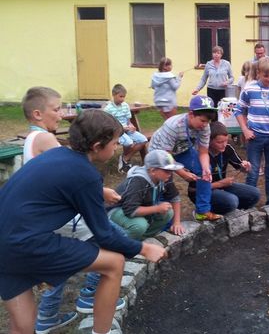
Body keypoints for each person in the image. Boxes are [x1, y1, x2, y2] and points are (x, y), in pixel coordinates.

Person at [0, 109, 166, 334]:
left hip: (4, 244)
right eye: (115, 143)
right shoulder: (85, 174)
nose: (117, 147)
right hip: (27, 243)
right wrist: (143, 248)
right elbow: (104, 233)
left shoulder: (54, 155)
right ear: (98, 146)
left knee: (23, 325)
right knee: (114, 263)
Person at [21, 87, 126, 333]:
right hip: (66, 214)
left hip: (51, 215)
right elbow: (70, 171)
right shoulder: (46, 139)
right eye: (56, 110)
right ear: (38, 114)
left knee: (59, 265)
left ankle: (47, 316)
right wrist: (103, 192)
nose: (61, 115)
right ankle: (90, 295)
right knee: (113, 241)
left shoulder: (31, 138)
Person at [148, 95, 221, 221]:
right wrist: (181, 172)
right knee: (165, 180)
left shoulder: (205, 127)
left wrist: (205, 169)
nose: (205, 125)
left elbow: (203, 152)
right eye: (202, 121)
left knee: (205, 169)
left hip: (182, 150)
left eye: (208, 122)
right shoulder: (173, 125)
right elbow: (167, 156)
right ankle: (161, 218)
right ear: (191, 114)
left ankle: (202, 211)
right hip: (160, 153)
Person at [234, 56, 269, 205]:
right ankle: (248, 203)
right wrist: (245, 130)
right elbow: (238, 111)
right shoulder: (250, 88)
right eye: (266, 75)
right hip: (255, 137)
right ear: (258, 72)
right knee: (253, 171)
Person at [109, 150, 185, 240]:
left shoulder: (164, 178)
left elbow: (174, 198)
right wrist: (157, 208)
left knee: (168, 212)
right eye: (167, 170)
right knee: (139, 225)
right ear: (152, 170)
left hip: (137, 208)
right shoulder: (138, 181)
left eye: (171, 170)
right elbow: (130, 210)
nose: (170, 173)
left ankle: (144, 239)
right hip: (116, 210)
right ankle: (123, 244)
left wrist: (176, 222)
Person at [188, 121, 260, 213]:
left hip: (222, 186)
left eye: (226, 140)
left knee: (254, 194)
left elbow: (242, 168)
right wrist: (220, 184)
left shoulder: (228, 149)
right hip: (201, 192)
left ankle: (232, 212)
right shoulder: (199, 155)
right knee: (232, 201)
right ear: (208, 141)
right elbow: (193, 189)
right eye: (220, 142)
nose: (224, 144)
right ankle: (203, 210)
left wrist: (246, 167)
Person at [104, 84, 148, 173]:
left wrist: (131, 126)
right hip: (116, 131)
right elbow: (108, 125)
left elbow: (128, 121)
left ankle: (125, 158)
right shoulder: (108, 109)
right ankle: (125, 162)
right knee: (129, 142)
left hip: (127, 129)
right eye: (120, 96)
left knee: (143, 140)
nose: (122, 99)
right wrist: (122, 129)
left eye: (124, 97)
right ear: (113, 94)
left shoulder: (125, 106)